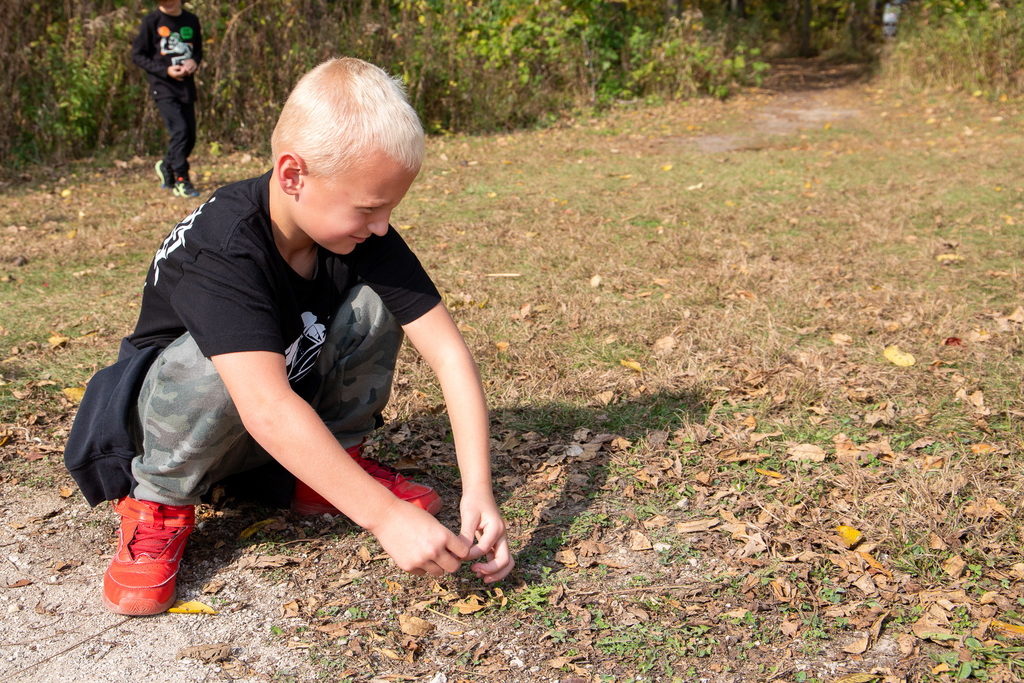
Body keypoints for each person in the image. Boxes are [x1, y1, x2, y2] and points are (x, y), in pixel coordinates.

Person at [64, 57, 514, 616]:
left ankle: (332, 471)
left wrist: (480, 490)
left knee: (376, 305)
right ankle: (159, 502)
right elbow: (266, 406)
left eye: (390, 209)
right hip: (170, 428)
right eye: (371, 209)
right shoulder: (223, 246)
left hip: (269, 425)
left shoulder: (356, 229)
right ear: (293, 175)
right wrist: (385, 517)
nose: (381, 228)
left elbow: (448, 355)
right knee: (218, 362)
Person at [131, 0, 203, 198]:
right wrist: (165, 70)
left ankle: (166, 165)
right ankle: (182, 179)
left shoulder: (191, 20)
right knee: (179, 131)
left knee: (190, 136)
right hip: (163, 87)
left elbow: (197, 51)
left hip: (186, 86)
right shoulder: (151, 21)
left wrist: (193, 62)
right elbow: (137, 55)